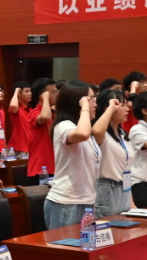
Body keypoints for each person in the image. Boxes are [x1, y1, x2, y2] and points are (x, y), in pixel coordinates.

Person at [44, 82, 103, 228]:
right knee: (66, 243)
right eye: (90, 99)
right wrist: (85, 108)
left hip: (86, 201)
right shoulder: (64, 125)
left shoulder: (85, 129)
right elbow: (82, 134)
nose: (95, 104)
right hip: (66, 202)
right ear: (77, 103)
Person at [93, 89, 132, 217]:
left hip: (125, 187)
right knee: (109, 228)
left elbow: (127, 168)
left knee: (125, 228)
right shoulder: (102, 134)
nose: (127, 109)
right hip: (107, 189)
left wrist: (131, 201)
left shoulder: (123, 134)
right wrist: (110, 109)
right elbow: (96, 131)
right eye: (122, 105)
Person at [24, 78, 57, 186]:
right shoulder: (34, 113)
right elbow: (45, 117)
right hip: (40, 171)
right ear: (42, 96)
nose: (57, 94)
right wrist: (46, 99)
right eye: (53, 92)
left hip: (54, 168)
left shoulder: (54, 114)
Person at [7, 81, 33, 151]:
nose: (30, 93)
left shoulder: (32, 110)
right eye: (26, 91)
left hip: (30, 148)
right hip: (18, 148)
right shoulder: (17, 109)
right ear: (19, 93)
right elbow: (13, 105)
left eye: (30, 91)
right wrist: (16, 92)